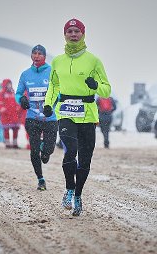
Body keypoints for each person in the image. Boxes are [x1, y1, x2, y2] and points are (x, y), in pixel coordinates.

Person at [44, 18, 111, 216]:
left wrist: (95, 86)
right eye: (70, 31)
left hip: (88, 114)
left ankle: (78, 195)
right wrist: (49, 104)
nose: (73, 34)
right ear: (64, 34)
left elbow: (106, 90)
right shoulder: (57, 61)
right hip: (65, 112)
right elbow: (54, 86)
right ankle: (69, 189)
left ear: (83, 34)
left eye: (77, 31)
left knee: (85, 159)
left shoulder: (94, 60)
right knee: (70, 149)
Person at [15, 45, 58, 190]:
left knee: (48, 151)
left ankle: (44, 149)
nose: (37, 56)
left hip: (50, 117)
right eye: (34, 53)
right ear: (31, 55)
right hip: (32, 117)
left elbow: (58, 91)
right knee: (34, 150)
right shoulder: (25, 74)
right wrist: (21, 99)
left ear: (45, 56)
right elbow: (18, 93)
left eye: (40, 54)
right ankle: (40, 179)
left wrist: (52, 103)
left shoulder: (52, 71)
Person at [0, 79, 21, 149]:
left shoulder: (13, 92)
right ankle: (7, 144)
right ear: (5, 85)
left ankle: (15, 143)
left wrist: (18, 108)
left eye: (10, 84)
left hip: (14, 115)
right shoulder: (1, 93)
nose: (9, 86)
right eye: (8, 84)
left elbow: (17, 102)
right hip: (6, 115)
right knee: (6, 130)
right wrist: (3, 110)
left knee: (15, 129)